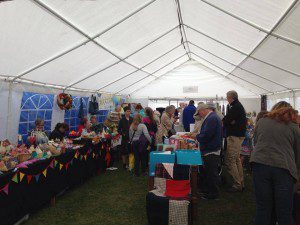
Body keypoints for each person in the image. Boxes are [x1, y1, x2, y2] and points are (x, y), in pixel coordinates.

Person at [250, 102, 300, 225]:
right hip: (284, 169)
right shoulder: (294, 127)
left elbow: (256, 142)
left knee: (263, 208)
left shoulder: (262, 121)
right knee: (284, 211)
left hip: (259, 165)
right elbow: (298, 152)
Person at [191, 103, 222, 200]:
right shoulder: (212, 117)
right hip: (210, 148)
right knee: (209, 172)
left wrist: (196, 136)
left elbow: (206, 135)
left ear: (203, 110)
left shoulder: (211, 118)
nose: (200, 115)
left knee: (211, 173)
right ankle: (209, 191)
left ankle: (213, 194)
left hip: (211, 149)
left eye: (199, 112)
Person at [223, 90, 247, 192]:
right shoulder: (236, 106)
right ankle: (241, 182)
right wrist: (229, 121)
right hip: (237, 135)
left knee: (230, 160)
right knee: (236, 159)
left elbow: (226, 120)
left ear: (230, 98)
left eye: (227, 97)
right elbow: (229, 120)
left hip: (234, 136)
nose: (226, 99)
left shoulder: (235, 107)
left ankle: (237, 184)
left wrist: (229, 121)